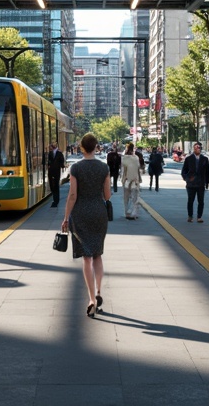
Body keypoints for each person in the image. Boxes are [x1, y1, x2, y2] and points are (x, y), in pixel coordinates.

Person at [61, 132, 111, 318]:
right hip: (99, 213)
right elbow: (107, 196)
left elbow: (72, 196)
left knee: (86, 258)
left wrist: (66, 217)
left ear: (82, 147)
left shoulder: (76, 168)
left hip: (80, 214)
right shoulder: (104, 167)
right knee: (97, 254)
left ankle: (91, 299)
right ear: (97, 146)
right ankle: (98, 292)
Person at [181, 141, 209, 222]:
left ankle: (199, 216)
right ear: (193, 148)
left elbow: (207, 172)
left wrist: (207, 182)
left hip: (201, 184)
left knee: (201, 201)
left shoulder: (204, 159)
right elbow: (184, 171)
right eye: (196, 147)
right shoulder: (188, 159)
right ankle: (190, 216)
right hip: (191, 184)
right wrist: (186, 179)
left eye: (199, 147)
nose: (198, 149)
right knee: (190, 200)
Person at [120, 142, 142, 220]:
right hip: (135, 180)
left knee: (126, 197)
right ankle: (134, 213)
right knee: (135, 197)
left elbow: (122, 170)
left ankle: (127, 213)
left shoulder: (124, 158)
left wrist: (122, 179)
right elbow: (138, 168)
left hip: (126, 180)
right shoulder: (136, 158)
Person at [47, 143, 66, 208]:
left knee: (56, 186)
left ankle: (56, 201)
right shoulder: (50, 153)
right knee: (52, 186)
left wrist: (63, 166)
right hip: (51, 172)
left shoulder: (59, 153)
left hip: (57, 172)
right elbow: (47, 162)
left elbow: (62, 162)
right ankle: (55, 199)